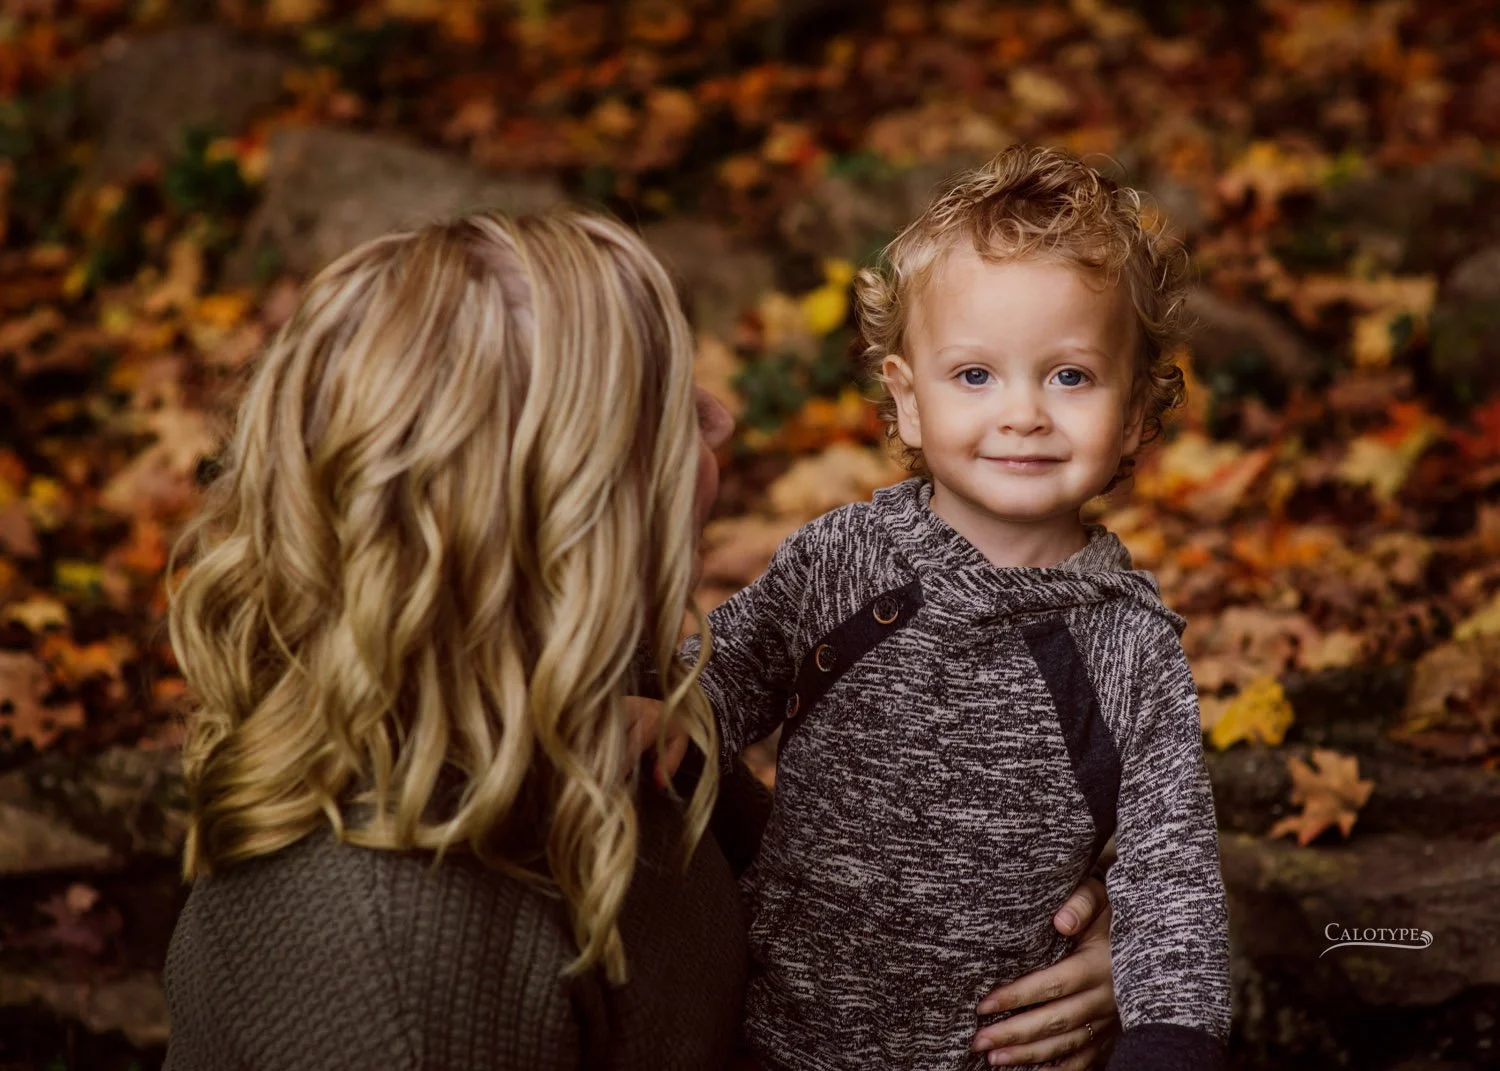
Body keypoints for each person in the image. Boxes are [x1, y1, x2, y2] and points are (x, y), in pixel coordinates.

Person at [159, 208, 1123, 1070]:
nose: (725, 419)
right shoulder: (386, 962)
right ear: (562, 505)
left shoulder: (599, 679)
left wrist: (1068, 946)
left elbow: (815, 893)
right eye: (671, 414)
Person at [686, 146, 1231, 1071]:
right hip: (778, 1033)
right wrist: (670, 717)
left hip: (984, 1052)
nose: (1022, 413)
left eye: (1069, 376)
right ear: (906, 400)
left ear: (1137, 412)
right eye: (975, 375)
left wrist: (1170, 1041)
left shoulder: (1128, 649)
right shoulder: (843, 560)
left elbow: (1171, 876)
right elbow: (728, 673)